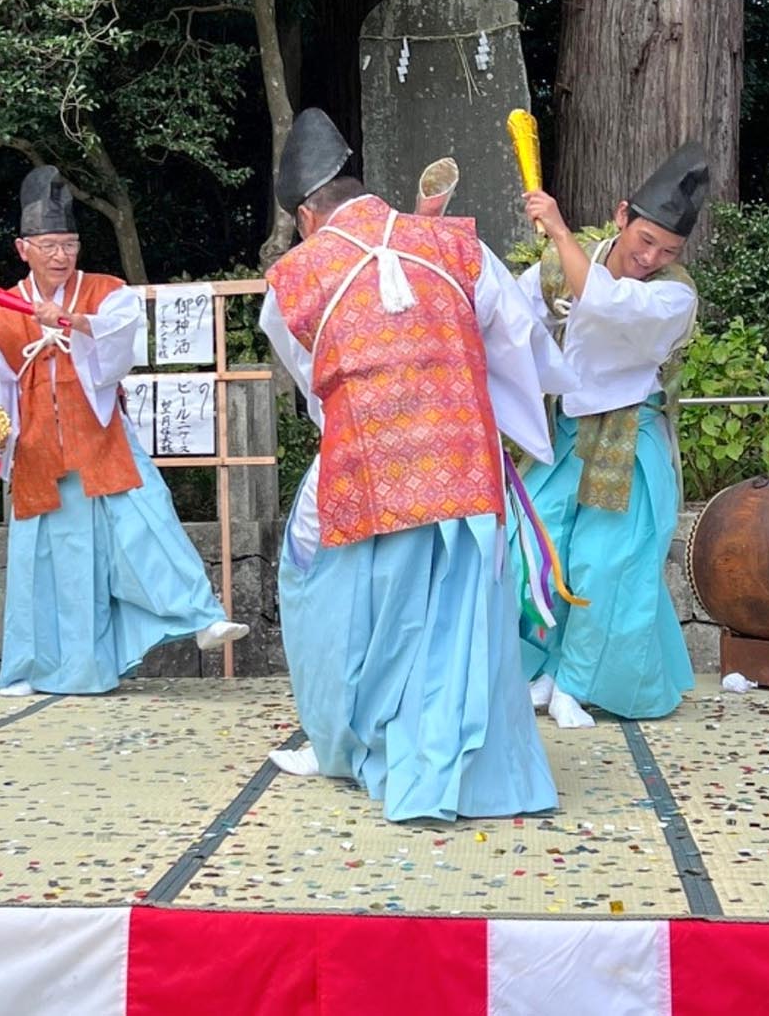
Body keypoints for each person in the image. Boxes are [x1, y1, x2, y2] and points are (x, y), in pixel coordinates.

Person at [259, 108, 574, 822]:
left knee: (327, 587)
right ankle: (479, 772)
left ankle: (344, 744)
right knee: (463, 616)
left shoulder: (295, 276)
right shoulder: (452, 241)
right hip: (466, 464)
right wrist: (496, 415)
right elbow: (516, 337)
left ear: (309, 214)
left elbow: (315, 382)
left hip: (370, 469)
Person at [0, 165, 249, 697]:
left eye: (70, 244)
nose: (61, 256)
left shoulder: (105, 292)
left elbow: (121, 341)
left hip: (102, 436)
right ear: (23, 248)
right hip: (38, 446)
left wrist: (72, 321)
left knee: (148, 524)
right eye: (50, 245)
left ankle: (200, 616)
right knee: (53, 563)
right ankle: (42, 670)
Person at [511, 143, 705, 728]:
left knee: (605, 563)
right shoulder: (553, 266)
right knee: (534, 541)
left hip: (630, 433)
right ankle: (543, 667)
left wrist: (560, 232)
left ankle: (579, 681)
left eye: (667, 250)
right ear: (622, 215)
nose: (651, 257)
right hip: (567, 432)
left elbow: (609, 303)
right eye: (645, 240)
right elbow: (509, 321)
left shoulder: (675, 295)